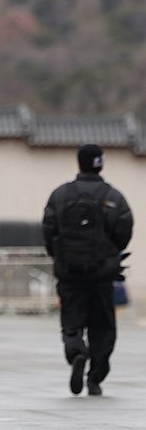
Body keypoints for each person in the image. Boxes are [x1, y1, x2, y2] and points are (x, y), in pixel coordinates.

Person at [42, 143, 133, 397]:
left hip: (69, 272)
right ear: (101, 164)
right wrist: (109, 254)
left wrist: (58, 255)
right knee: (102, 327)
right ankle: (95, 378)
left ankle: (77, 352)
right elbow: (124, 230)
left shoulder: (60, 195)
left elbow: (48, 230)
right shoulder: (113, 197)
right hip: (102, 274)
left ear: (78, 163)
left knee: (72, 322)